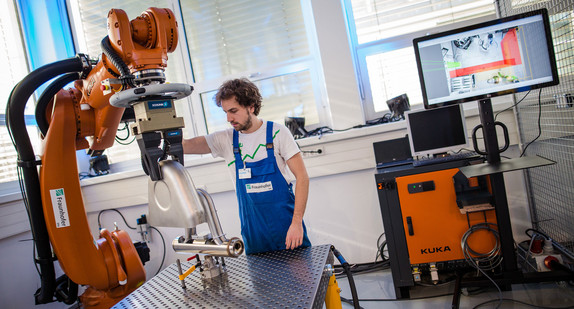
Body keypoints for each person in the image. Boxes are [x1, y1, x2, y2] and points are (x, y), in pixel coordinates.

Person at [182, 78, 311, 254]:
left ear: (251, 106)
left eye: (233, 111)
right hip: (254, 235)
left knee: (301, 279)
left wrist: (296, 223)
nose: (229, 118)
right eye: (226, 112)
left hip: (288, 228)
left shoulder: (278, 133)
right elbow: (185, 146)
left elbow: (302, 177)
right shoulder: (225, 140)